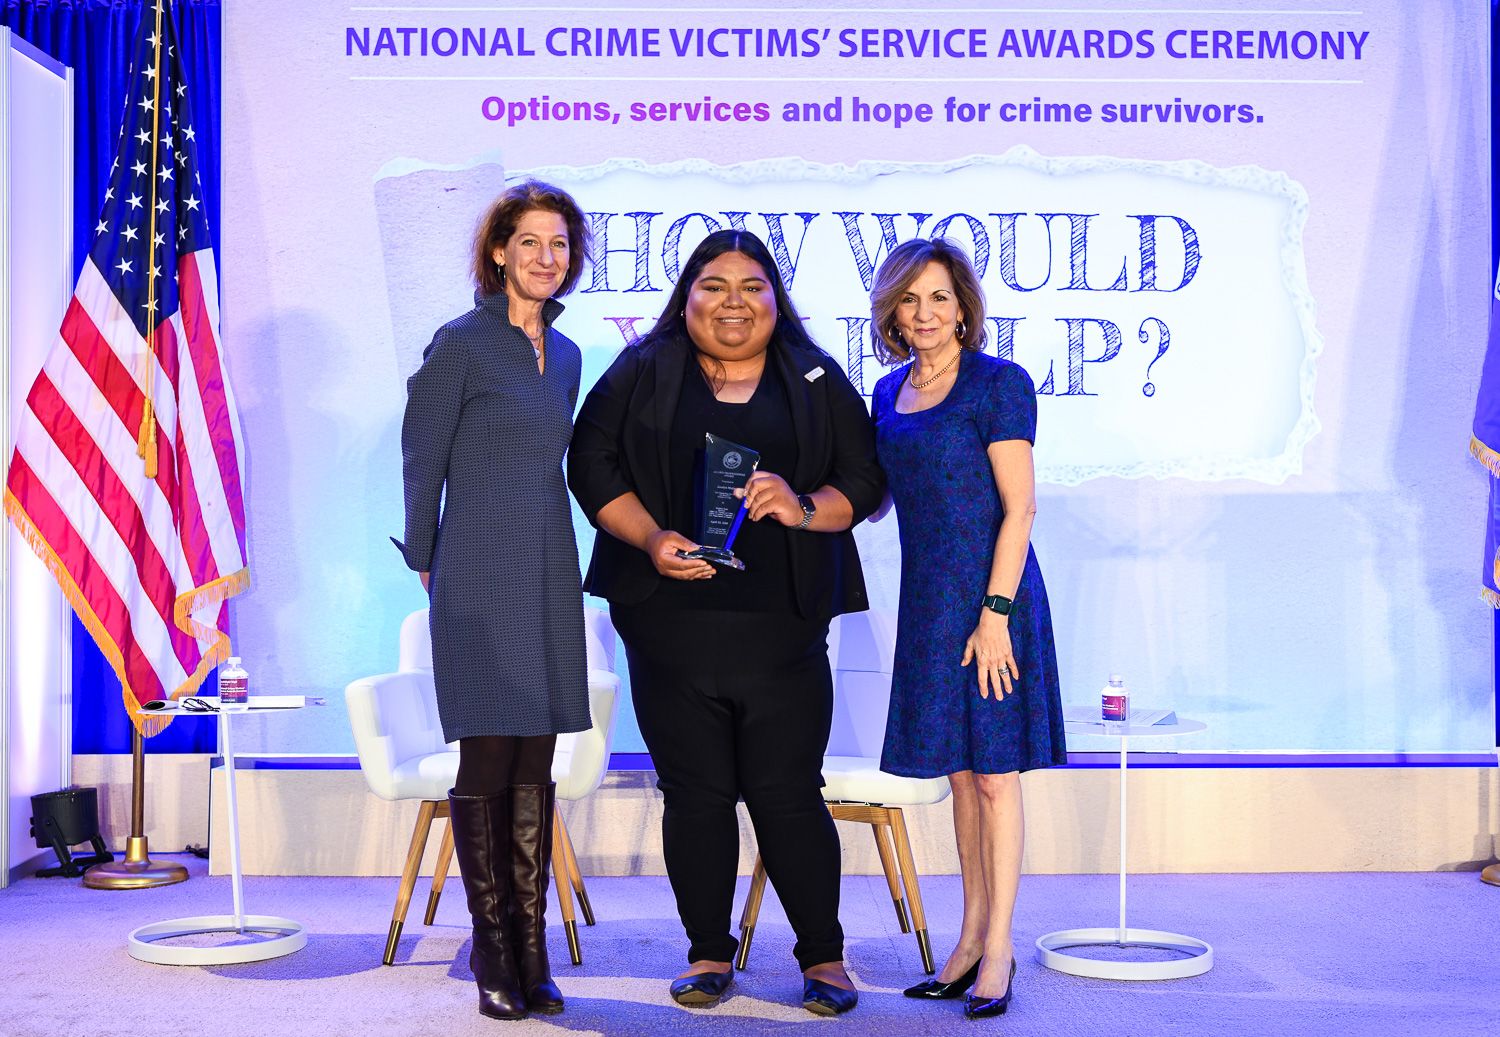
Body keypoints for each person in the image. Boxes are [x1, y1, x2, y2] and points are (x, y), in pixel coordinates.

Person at [568, 229, 885, 1016]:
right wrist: (649, 536)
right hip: (668, 625)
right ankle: (709, 952)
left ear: (777, 300)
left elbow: (866, 480)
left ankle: (824, 958)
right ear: (688, 294)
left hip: (783, 629)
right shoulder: (642, 368)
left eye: (753, 286)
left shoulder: (813, 375)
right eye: (714, 285)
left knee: (787, 793)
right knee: (696, 794)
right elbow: (589, 463)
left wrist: (803, 505)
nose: (734, 301)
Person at [398, 180, 594, 1021]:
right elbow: (421, 459)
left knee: (535, 758)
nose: (546, 258)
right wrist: (428, 559)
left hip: (549, 558)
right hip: (474, 562)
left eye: (560, 245)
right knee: (486, 756)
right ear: (498, 251)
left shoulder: (572, 353)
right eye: (531, 243)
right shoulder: (461, 343)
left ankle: (530, 943)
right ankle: (490, 946)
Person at [867, 237, 1067, 1019]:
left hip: (996, 601)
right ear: (892, 309)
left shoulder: (999, 383)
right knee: (957, 774)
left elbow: (1020, 508)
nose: (925, 313)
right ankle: (966, 939)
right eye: (910, 299)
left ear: (964, 308)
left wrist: (996, 617)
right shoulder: (887, 393)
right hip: (929, 605)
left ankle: (1001, 947)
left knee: (993, 775)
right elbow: (878, 498)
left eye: (940, 298)